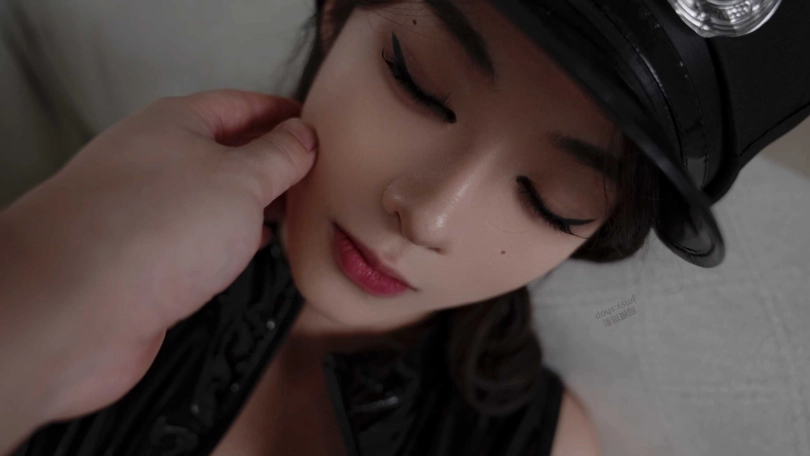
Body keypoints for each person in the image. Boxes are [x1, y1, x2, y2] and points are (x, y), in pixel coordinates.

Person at [3, 0, 809, 455]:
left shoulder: (538, 445)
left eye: (551, 200)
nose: (428, 216)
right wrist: (40, 288)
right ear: (337, 15)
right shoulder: (96, 239)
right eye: (417, 82)